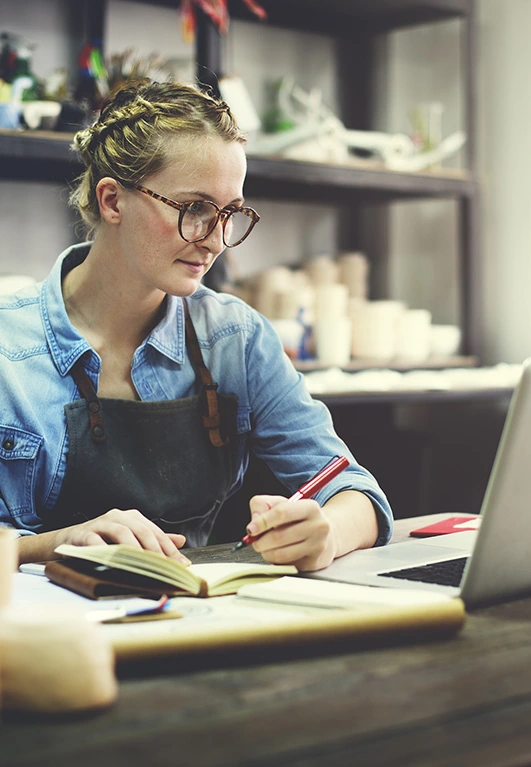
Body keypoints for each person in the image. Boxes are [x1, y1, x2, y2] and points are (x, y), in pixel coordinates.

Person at [0, 79, 393, 571]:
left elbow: (355, 492)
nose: (216, 240)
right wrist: (50, 544)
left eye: (230, 213)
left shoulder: (235, 340)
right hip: (42, 638)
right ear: (112, 201)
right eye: (195, 209)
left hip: (191, 621)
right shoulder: (8, 349)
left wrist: (326, 534)